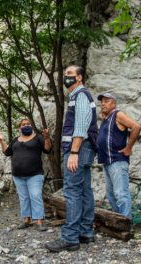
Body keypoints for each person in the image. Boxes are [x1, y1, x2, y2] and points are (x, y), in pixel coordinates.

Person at [45, 65, 98, 252]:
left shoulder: (81, 95)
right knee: (84, 190)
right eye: (65, 74)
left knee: (73, 191)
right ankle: (85, 233)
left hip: (79, 149)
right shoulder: (78, 96)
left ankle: (69, 237)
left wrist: (73, 152)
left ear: (79, 77)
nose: (66, 77)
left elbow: (81, 127)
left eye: (70, 74)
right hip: (82, 149)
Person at [0, 119, 51, 231]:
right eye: (23, 125)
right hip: (18, 176)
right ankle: (27, 221)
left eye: (28, 124)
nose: (26, 126)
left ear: (31, 126)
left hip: (35, 174)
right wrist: (1, 140)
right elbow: (7, 152)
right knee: (24, 198)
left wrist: (47, 138)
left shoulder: (38, 138)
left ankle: (39, 222)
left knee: (35, 196)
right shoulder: (16, 140)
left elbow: (47, 150)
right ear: (20, 128)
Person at [96, 93, 141, 218]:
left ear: (114, 103)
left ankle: (126, 222)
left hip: (117, 161)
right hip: (107, 162)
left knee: (121, 193)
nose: (103, 103)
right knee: (111, 194)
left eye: (107, 101)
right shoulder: (106, 118)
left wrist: (128, 148)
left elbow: (136, 126)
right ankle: (118, 221)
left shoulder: (118, 114)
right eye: (102, 101)